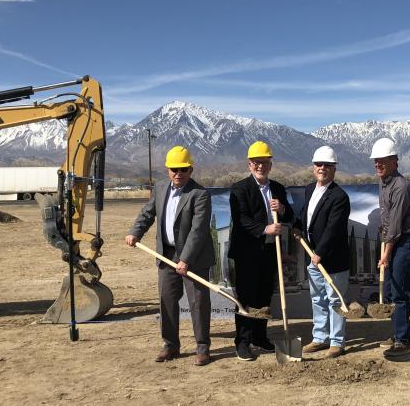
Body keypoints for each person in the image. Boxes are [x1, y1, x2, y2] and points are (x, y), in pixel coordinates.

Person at [125, 146, 215, 366]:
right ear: (167, 170)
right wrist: (135, 232)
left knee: (198, 303)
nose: (178, 173)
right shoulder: (161, 188)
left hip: (194, 258)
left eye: (183, 169)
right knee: (167, 301)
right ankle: (170, 346)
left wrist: (186, 259)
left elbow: (198, 230)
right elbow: (148, 212)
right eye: (174, 169)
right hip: (166, 255)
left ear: (190, 170)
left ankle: (202, 348)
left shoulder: (200, 194)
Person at [228, 140, 294, 361]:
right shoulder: (239, 189)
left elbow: (289, 216)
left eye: (264, 162)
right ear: (250, 165)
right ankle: (243, 341)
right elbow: (242, 220)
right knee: (245, 297)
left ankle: (259, 336)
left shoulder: (278, 189)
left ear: (270, 164)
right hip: (247, 252)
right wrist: (265, 228)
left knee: (264, 295)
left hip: (269, 252)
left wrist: (282, 209)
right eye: (257, 162)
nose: (260, 166)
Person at [292, 146, 351, 359]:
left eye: (327, 165)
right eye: (319, 164)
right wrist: (297, 226)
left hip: (332, 259)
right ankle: (320, 337)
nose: (322, 168)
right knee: (317, 299)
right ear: (313, 167)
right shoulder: (310, 189)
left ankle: (337, 342)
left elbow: (333, 229)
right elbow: (306, 214)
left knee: (335, 300)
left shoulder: (339, 197)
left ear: (334, 169)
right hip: (313, 257)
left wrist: (320, 252)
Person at [370, 137, 410, 358]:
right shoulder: (384, 183)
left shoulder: (400, 186)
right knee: (391, 291)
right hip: (393, 241)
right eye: (376, 161)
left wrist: (386, 253)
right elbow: (387, 221)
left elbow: (396, 225)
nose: (378, 165)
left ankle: (402, 341)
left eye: (383, 160)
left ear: (394, 161)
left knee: (399, 292)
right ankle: (401, 333)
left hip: (404, 242)